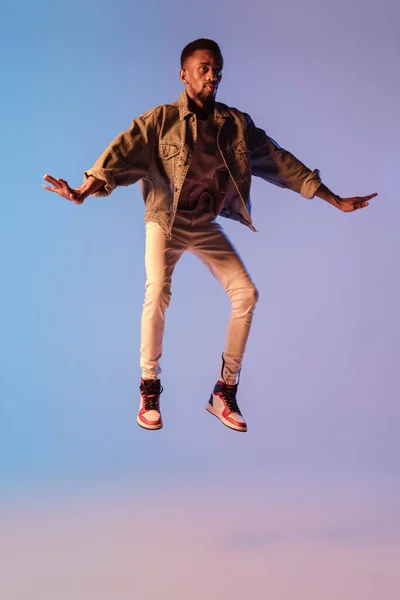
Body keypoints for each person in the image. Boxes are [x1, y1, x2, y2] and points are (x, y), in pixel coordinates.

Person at [43, 38, 377, 433]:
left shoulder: (236, 125)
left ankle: (224, 390)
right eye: (203, 67)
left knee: (246, 294)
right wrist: (83, 190)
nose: (212, 74)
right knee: (158, 289)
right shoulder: (159, 121)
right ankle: (149, 387)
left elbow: (280, 161)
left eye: (216, 68)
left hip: (203, 222)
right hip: (164, 220)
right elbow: (119, 154)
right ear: (184, 74)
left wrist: (333, 199)